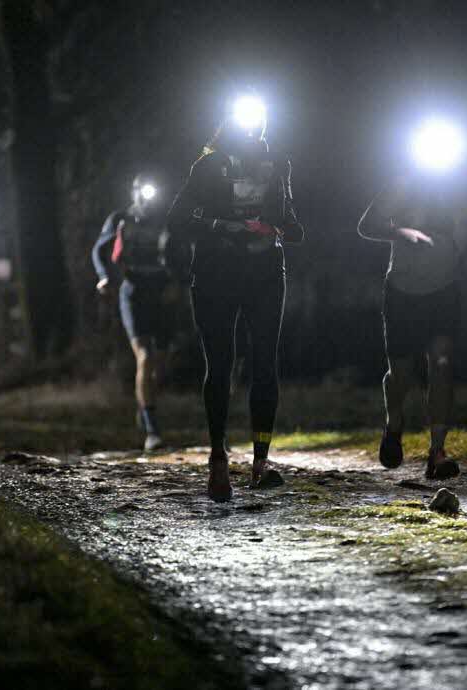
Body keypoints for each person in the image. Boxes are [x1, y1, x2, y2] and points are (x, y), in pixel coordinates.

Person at [167, 92, 304, 502]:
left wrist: (286, 229)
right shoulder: (207, 165)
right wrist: (223, 226)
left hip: (265, 276)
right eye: (244, 120)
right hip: (215, 276)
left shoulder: (278, 163)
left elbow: (288, 218)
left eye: (258, 119)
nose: (252, 127)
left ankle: (261, 460)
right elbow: (178, 218)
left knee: (265, 363)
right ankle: (217, 459)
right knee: (221, 364)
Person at [358, 174, 467, 480]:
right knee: (402, 373)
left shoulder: (460, 188)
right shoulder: (400, 185)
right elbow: (366, 225)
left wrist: (465, 261)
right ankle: (394, 423)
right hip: (403, 292)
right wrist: (400, 231)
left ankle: (437, 451)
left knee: (441, 364)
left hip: (444, 291)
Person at [92, 172, 187, 452]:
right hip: (133, 292)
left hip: (161, 292)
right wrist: (104, 277)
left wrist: (178, 283)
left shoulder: (168, 221)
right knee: (144, 357)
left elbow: (182, 253)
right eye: (143, 192)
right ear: (134, 192)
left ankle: (143, 403)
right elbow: (99, 250)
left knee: (159, 362)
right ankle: (152, 430)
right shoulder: (121, 218)